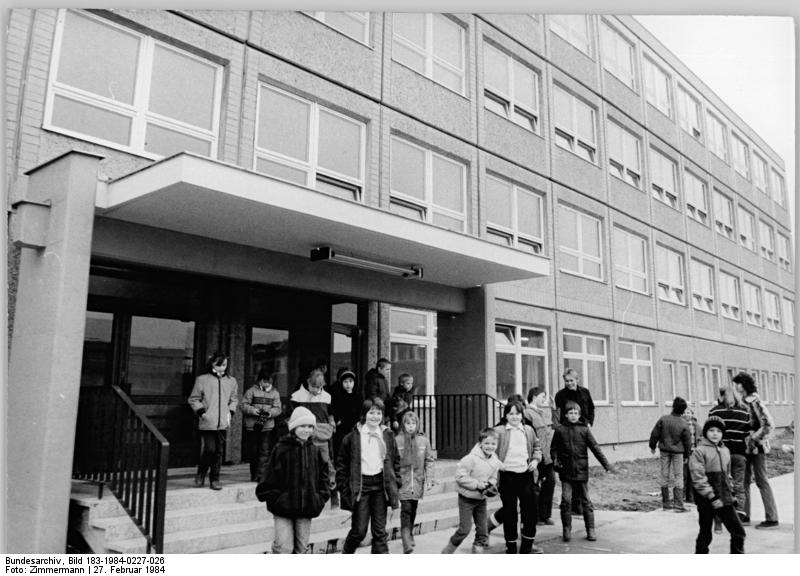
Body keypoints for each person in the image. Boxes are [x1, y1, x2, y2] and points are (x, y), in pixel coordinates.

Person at [255, 407, 329, 554]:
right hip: (283, 508)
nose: (306, 430)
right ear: (294, 427)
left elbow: (324, 477)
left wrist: (319, 498)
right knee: (283, 547)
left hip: (306, 508)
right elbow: (268, 477)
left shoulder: (315, 450)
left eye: (309, 427)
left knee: (302, 549)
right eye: (302, 426)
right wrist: (276, 499)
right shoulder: (281, 449)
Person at [336, 398, 400, 554]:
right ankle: (346, 553)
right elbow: (342, 465)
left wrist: (396, 482)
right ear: (364, 414)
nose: (375, 416)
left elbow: (396, 460)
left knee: (380, 532)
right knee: (359, 530)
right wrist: (345, 489)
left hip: (381, 485)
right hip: (361, 487)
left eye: (379, 413)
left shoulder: (387, 435)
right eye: (371, 412)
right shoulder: (352, 437)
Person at [550, 401, 615, 543]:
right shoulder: (560, 430)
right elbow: (553, 448)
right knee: (566, 500)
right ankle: (566, 529)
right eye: (570, 413)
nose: (573, 416)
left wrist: (606, 465)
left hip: (581, 471)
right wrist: (555, 460)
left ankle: (590, 529)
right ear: (566, 415)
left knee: (586, 501)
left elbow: (595, 448)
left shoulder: (584, 430)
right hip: (566, 471)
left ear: (579, 415)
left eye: (575, 413)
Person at [689, 416, 746, 554]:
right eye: (711, 430)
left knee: (738, 532)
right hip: (707, 500)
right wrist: (711, 497)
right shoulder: (699, 451)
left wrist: (731, 493)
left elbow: (728, 476)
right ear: (705, 432)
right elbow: (698, 478)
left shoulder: (725, 451)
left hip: (724, 498)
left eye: (719, 431)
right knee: (705, 533)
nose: (715, 434)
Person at [493, 400, 543, 554]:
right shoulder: (499, 431)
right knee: (510, 513)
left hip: (526, 476)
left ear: (522, 415)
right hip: (507, 477)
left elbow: (537, 447)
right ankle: (511, 547)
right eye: (511, 414)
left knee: (530, 512)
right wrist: (497, 463)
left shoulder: (528, 430)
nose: (514, 417)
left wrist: (535, 460)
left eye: (517, 414)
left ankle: (527, 547)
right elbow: (488, 450)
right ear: (506, 415)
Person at [441, 428, 501, 554]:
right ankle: (448, 550)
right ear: (480, 444)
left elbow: (494, 476)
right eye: (487, 443)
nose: (490, 446)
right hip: (466, 498)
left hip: (481, 499)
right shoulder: (470, 459)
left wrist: (492, 483)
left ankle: (477, 551)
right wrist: (477, 485)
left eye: (493, 444)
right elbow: (459, 477)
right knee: (464, 529)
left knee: (483, 530)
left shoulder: (495, 460)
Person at [732, 372, 779, 529]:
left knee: (761, 481)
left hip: (756, 448)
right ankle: (745, 515)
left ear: (743, 384)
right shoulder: (743, 401)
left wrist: (753, 439)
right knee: (744, 482)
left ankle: (772, 518)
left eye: (737, 383)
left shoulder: (753, 401)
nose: (735, 386)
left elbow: (768, 424)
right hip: (744, 449)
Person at [188, 352, 238, 490]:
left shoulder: (231, 381)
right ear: (212, 364)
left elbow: (234, 399)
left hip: (223, 422)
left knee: (218, 452)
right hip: (207, 421)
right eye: (220, 365)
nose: (223, 367)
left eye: (225, 365)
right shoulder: (202, 380)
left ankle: (215, 479)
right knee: (210, 449)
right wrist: (202, 412)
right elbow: (194, 398)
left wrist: (231, 411)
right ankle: (201, 472)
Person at [708, 382, 750, 529]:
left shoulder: (714, 412)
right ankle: (738, 516)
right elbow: (747, 434)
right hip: (739, 453)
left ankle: (720, 516)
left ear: (721, 396)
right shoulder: (744, 413)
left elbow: (709, 433)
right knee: (739, 485)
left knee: (720, 485)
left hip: (720, 453)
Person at [290, 368, 337, 499]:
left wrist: (332, 421)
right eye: (313, 387)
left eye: (319, 387)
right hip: (305, 435)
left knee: (325, 460)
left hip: (322, 434)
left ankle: (329, 485)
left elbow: (331, 412)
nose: (316, 390)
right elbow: (292, 416)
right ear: (308, 382)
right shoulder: (297, 396)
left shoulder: (327, 397)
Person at [395, 410, 435, 553]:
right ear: (403, 424)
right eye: (407, 423)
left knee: (413, 509)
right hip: (403, 482)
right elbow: (393, 461)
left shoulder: (423, 440)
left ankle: (410, 533)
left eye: (413, 423)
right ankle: (406, 541)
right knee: (405, 510)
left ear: (417, 424)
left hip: (417, 482)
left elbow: (429, 460)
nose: (410, 426)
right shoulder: (398, 440)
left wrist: (430, 479)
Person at [648, 396, 692, 511]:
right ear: (683, 410)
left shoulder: (663, 419)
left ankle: (666, 503)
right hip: (678, 452)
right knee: (678, 476)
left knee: (664, 475)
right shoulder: (684, 423)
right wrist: (687, 455)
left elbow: (654, 434)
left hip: (664, 451)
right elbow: (688, 442)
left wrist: (652, 446)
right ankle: (678, 504)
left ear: (673, 406)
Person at [241, 368, 282, 482]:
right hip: (253, 426)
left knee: (264, 451)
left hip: (267, 426)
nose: (267, 384)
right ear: (259, 380)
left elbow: (278, 409)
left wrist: (270, 413)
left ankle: (261, 475)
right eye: (265, 381)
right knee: (254, 450)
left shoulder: (275, 393)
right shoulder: (251, 391)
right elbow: (243, 405)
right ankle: (254, 474)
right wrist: (253, 410)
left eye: (269, 381)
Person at [525, 387, 557, 525]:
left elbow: (553, 428)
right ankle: (537, 516)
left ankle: (546, 515)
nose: (544, 399)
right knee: (535, 487)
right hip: (536, 456)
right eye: (542, 396)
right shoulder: (527, 414)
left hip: (547, 455)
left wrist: (554, 409)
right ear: (534, 396)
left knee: (550, 483)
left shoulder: (542, 412)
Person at [330, 368, 362, 459]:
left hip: (354, 426)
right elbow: (334, 409)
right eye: (345, 382)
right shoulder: (337, 396)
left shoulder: (358, 395)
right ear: (341, 383)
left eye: (351, 381)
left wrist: (359, 421)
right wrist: (338, 420)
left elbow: (360, 411)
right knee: (340, 449)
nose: (348, 384)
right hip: (341, 427)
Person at [681, 406, 699, 504]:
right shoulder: (680, 425)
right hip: (684, 452)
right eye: (685, 412)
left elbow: (699, 437)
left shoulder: (696, 426)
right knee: (684, 474)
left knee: (693, 474)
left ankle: (691, 496)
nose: (686, 414)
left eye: (688, 412)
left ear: (692, 414)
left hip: (694, 452)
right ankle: (682, 496)